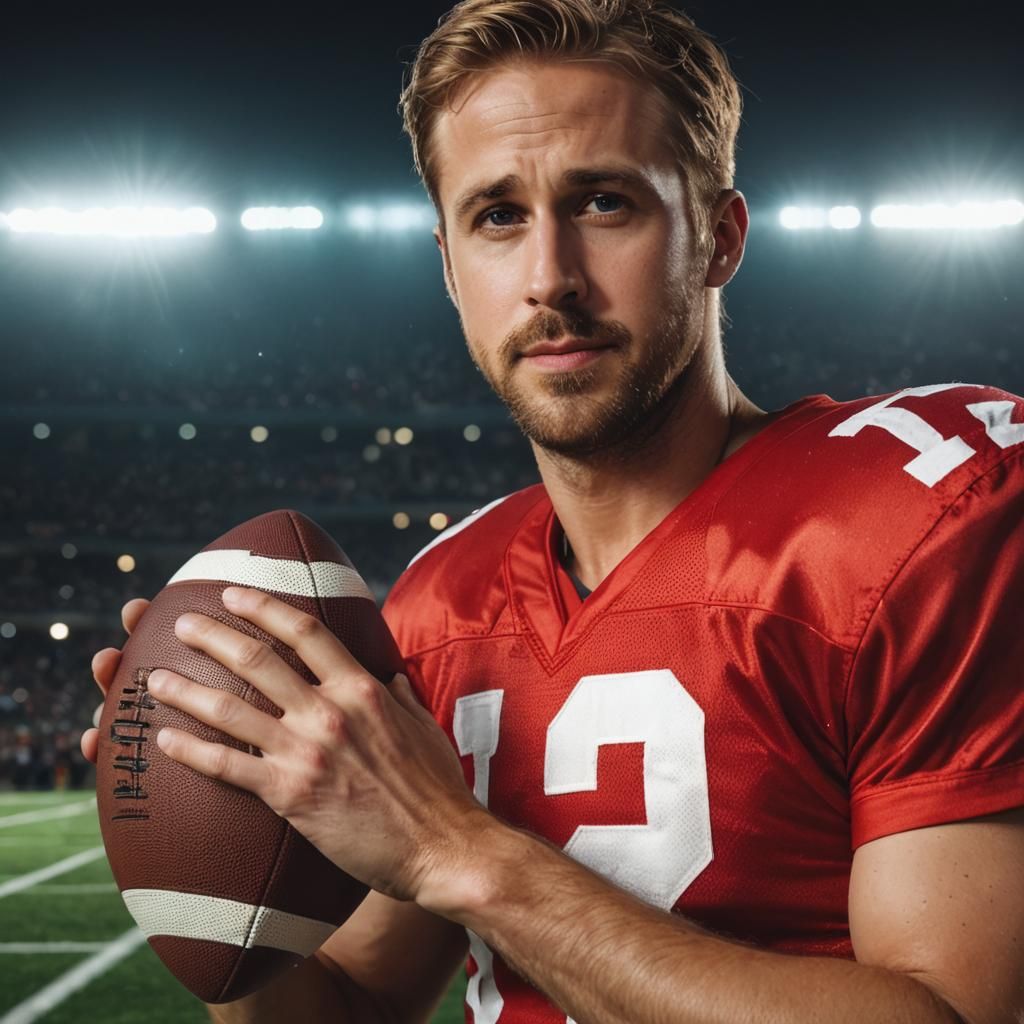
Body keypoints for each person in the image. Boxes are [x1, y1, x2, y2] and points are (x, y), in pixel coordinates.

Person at [83, 1, 1024, 1021]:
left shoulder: (926, 513)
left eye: (604, 203)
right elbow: (348, 1002)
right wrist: (205, 836)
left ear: (716, 236)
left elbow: (956, 1011)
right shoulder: (447, 600)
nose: (549, 279)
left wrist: (459, 851)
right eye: (497, 216)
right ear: (450, 267)